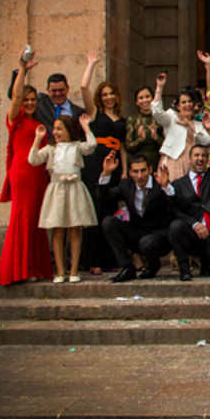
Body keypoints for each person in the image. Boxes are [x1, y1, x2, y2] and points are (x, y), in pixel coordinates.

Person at [0, 50, 52, 286]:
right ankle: (18, 270)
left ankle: (35, 267)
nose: (29, 103)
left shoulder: (38, 124)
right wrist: (22, 69)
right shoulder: (15, 119)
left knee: (36, 221)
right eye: (26, 100)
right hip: (22, 173)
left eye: (33, 100)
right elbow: (16, 95)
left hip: (39, 175)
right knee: (23, 219)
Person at [28, 113, 98, 283]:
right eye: (54, 129)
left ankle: (74, 270)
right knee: (58, 230)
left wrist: (86, 128)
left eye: (60, 128)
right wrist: (38, 139)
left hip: (74, 189)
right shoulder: (51, 149)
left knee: (75, 229)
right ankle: (60, 270)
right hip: (57, 190)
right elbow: (33, 160)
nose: (55, 132)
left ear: (69, 130)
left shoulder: (76, 146)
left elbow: (91, 146)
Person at [162, 138, 210, 281]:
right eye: (196, 155)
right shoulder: (178, 184)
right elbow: (175, 211)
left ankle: (207, 262)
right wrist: (194, 224)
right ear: (189, 159)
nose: (200, 159)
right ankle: (184, 270)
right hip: (192, 234)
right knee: (175, 227)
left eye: (203, 156)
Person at [78, 51, 125, 276]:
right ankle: (92, 260)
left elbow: (123, 148)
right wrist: (91, 64)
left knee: (109, 211)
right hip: (96, 164)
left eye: (112, 94)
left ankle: (109, 258)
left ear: (116, 97)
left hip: (114, 168)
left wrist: (124, 172)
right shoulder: (94, 114)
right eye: (105, 94)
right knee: (94, 210)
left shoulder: (122, 119)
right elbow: (84, 88)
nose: (108, 97)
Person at [98, 153, 174, 282]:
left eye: (143, 171)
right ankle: (128, 268)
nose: (140, 176)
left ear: (150, 169)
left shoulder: (159, 184)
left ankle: (153, 264)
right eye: (135, 171)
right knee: (108, 223)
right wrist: (106, 174)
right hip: (137, 234)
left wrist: (167, 187)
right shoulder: (126, 185)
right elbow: (104, 197)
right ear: (130, 172)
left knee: (147, 242)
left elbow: (176, 204)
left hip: (158, 238)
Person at [152, 72, 210, 183]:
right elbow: (157, 113)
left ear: (194, 106)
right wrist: (159, 87)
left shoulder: (197, 124)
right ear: (178, 106)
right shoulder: (171, 117)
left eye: (190, 102)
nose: (187, 105)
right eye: (183, 102)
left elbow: (206, 140)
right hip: (173, 160)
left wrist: (189, 125)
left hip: (190, 162)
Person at [28, 70, 87, 140]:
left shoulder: (79, 112)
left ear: (67, 88)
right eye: (54, 91)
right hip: (46, 149)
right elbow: (17, 96)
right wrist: (22, 69)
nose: (58, 94)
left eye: (61, 90)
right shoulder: (41, 103)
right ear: (48, 90)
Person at [124, 85, 164, 170]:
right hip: (138, 165)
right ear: (136, 102)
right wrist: (140, 140)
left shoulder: (159, 118)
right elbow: (128, 147)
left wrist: (156, 138)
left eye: (147, 97)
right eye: (141, 98)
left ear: (152, 99)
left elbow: (168, 146)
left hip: (158, 163)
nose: (144, 100)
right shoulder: (133, 120)